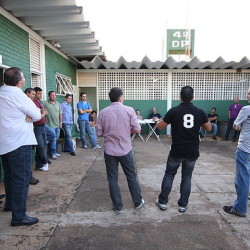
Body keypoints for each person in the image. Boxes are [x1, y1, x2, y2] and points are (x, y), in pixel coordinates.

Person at [155, 86, 211, 213]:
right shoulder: (200, 111)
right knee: (187, 177)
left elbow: (160, 126)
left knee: (169, 175)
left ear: (180, 97)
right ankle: (183, 205)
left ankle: (163, 202)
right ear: (193, 97)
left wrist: (159, 121)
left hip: (177, 150)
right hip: (192, 151)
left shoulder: (174, 111)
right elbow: (209, 129)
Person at [0, 67, 41, 226]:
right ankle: (19, 216)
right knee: (21, 180)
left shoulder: (1, 92)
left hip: (4, 143)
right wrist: (28, 114)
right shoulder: (18, 95)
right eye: (24, 78)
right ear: (19, 82)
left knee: (9, 177)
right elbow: (37, 115)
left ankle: (10, 205)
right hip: (19, 142)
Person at [97, 87, 144, 213]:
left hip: (109, 151)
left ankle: (118, 206)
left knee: (112, 179)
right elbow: (137, 130)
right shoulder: (129, 110)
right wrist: (126, 131)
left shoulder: (103, 112)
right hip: (125, 149)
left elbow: (99, 133)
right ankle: (138, 202)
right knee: (132, 176)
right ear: (120, 97)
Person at [223, 88, 250, 217]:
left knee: (242, 179)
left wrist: (240, 125)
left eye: (249, 93)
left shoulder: (246, 109)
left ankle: (240, 208)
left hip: (245, 148)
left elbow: (236, 125)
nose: (247, 94)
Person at [32, 87, 50, 171]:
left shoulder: (40, 102)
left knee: (44, 145)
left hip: (43, 126)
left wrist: (42, 112)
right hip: (36, 127)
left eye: (41, 93)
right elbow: (38, 113)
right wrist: (42, 112)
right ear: (35, 93)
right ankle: (44, 162)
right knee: (40, 146)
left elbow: (45, 111)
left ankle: (39, 165)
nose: (40, 95)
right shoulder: (33, 102)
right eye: (39, 93)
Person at [43, 91, 62, 159]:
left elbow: (60, 114)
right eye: (52, 95)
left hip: (57, 125)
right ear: (49, 96)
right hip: (49, 125)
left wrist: (60, 122)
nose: (54, 97)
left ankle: (52, 152)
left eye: (54, 95)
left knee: (55, 139)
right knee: (53, 139)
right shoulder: (45, 103)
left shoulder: (58, 104)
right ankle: (53, 153)